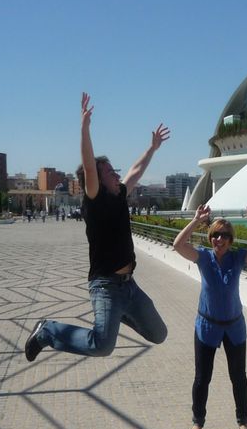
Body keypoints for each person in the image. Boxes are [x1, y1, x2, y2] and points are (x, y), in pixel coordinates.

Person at [23, 92, 171, 362]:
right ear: (98, 181)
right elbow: (90, 167)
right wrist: (85, 127)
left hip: (129, 286)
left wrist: (152, 148)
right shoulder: (95, 198)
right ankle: (47, 331)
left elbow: (135, 171)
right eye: (110, 172)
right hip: (105, 286)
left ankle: (116, 316)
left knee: (159, 333)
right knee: (102, 346)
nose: (117, 174)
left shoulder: (119, 194)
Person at [172, 204, 247, 429]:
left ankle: (243, 421)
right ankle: (197, 422)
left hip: (234, 327)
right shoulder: (203, 257)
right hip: (206, 326)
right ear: (211, 237)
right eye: (216, 235)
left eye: (225, 236)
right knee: (202, 378)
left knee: (238, 376)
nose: (220, 239)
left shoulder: (238, 258)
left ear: (230, 240)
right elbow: (177, 245)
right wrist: (196, 220)